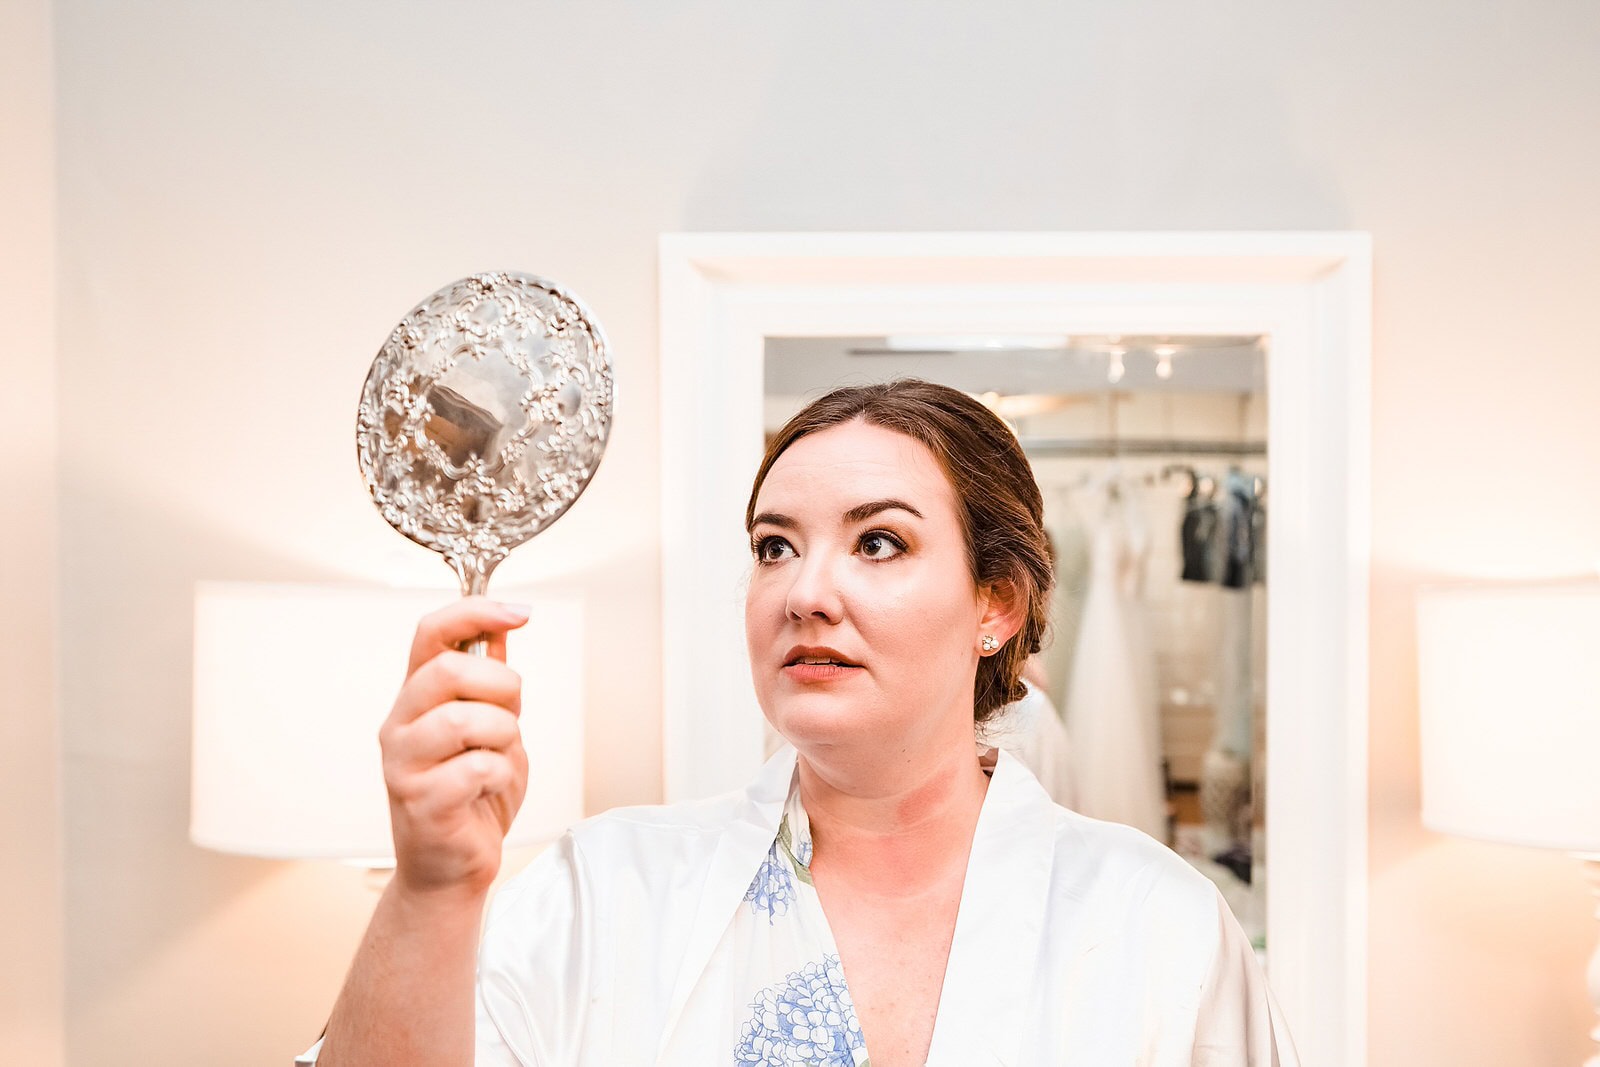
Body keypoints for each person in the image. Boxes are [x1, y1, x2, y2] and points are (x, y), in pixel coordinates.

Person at [307, 379, 1297, 1066]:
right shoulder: (604, 891)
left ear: (996, 603)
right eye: (774, 546)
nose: (804, 590)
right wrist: (433, 888)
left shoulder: (1157, 924)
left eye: (878, 540)